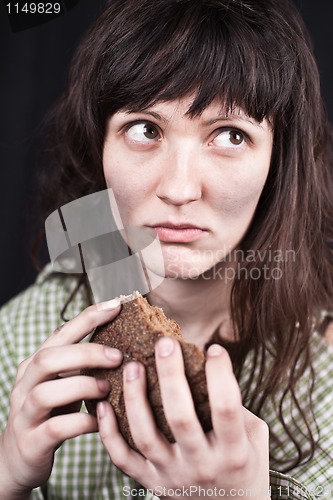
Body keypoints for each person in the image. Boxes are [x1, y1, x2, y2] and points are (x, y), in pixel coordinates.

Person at [1, 0, 333, 498]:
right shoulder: (18, 341)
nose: (178, 189)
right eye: (145, 130)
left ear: (278, 165)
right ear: (101, 148)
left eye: (229, 135)